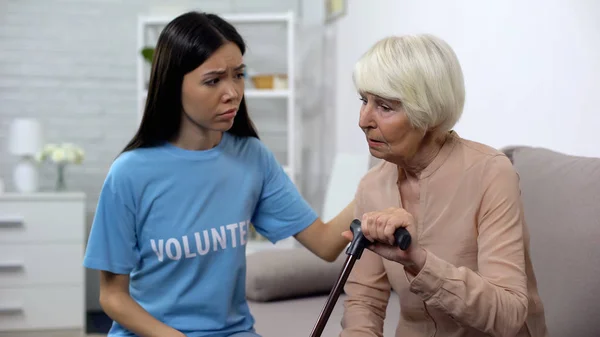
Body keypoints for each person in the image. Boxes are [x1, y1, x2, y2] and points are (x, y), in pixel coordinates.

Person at [82, 11, 376, 337]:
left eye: (238, 75)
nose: (233, 92)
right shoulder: (129, 174)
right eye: (213, 80)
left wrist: (384, 174)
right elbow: (112, 296)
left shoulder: (253, 158)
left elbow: (325, 243)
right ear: (171, 85)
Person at [339, 34, 549, 337]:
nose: (363, 120)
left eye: (384, 106)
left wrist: (419, 262)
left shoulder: (490, 172)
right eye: (364, 100)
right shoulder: (372, 186)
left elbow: (509, 314)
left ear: (427, 111)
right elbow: (365, 300)